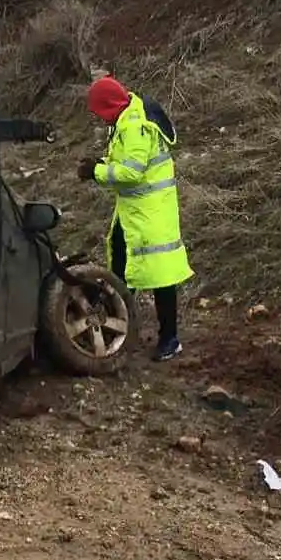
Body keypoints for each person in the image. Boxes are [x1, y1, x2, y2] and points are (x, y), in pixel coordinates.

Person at [78, 75, 193, 361]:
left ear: (109, 106)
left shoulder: (133, 127)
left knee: (161, 276)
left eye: (100, 113)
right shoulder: (128, 116)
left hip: (150, 213)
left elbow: (131, 173)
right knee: (120, 263)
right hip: (135, 212)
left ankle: (169, 339)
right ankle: (119, 327)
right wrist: (102, 164)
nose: (100, 120)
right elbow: (128, 163)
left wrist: (96, 172)